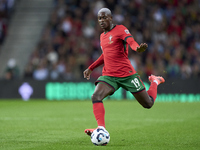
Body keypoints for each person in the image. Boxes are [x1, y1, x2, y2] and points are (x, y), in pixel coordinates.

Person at [83, 8, 165, 136]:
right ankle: (101, 129)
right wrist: (91, 67)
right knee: (96, 96)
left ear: (111, 18)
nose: (102, 20)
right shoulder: (102, 36)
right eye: (100, 18)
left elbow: (131, 42)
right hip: (109, 75)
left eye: (105, 17)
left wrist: (137, 48)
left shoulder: (120, 29)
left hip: (127, 75)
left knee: (148, 103)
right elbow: (105, 55)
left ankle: (155, 81)